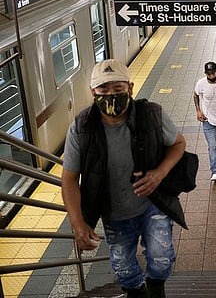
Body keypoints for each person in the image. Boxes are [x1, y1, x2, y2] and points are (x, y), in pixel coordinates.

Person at [61, 59, 186, 298]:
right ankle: (136, 292)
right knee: (124, 267)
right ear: (92, 92)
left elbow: (179, 143)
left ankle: (156, 289)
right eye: (103, 90)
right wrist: (78, 223)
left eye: (118, 89)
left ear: (130, 88)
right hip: (113, 212)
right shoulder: (81, 128)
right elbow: (69, 179)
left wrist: (158, 175)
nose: (110, 95)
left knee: (161, 260)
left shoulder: (151, 114)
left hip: (153, 205)